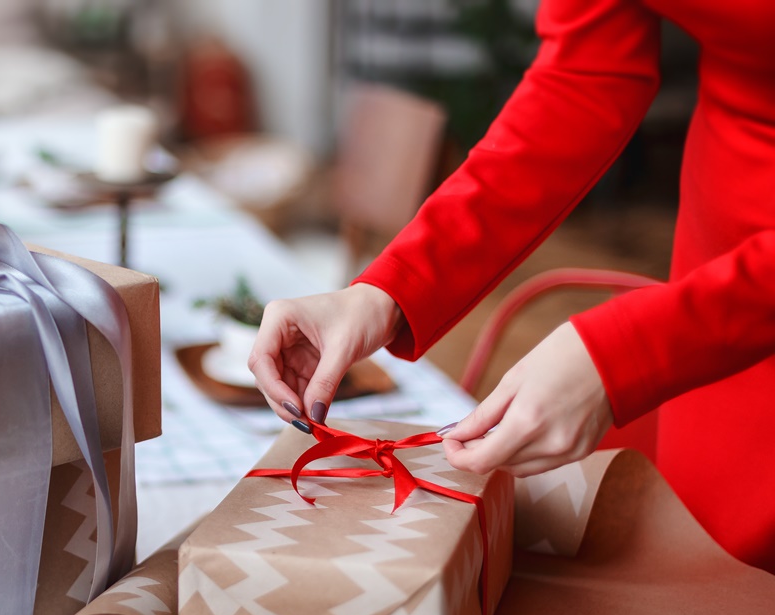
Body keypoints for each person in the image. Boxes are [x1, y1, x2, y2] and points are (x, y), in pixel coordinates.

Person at [249, 0, 775, 571]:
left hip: (738, 304)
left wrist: (627, 355)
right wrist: (389, 289)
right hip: (720, 254)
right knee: (704, 570)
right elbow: (584, 78)